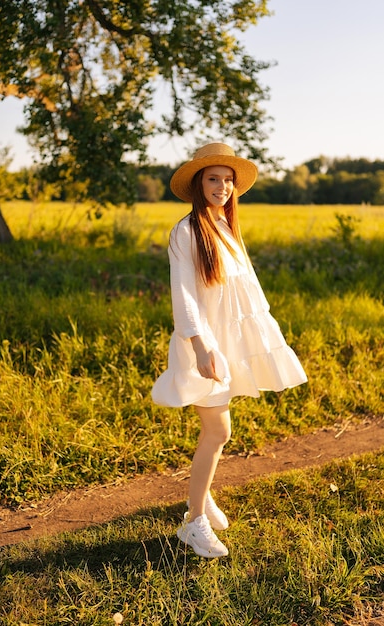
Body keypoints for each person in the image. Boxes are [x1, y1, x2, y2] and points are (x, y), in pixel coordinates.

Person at [152, 143, 307, 558]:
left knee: (219, 431)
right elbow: (183, 297)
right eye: (213, 179)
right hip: (203, 343)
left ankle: (200, 499)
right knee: (219, 431)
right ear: (198, 184)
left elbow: (244, 293)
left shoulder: (226, 226)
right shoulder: (186, 232)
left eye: (227, 179)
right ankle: (193, 522)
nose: (222, 186)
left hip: (229, 341)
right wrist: (202, 347)